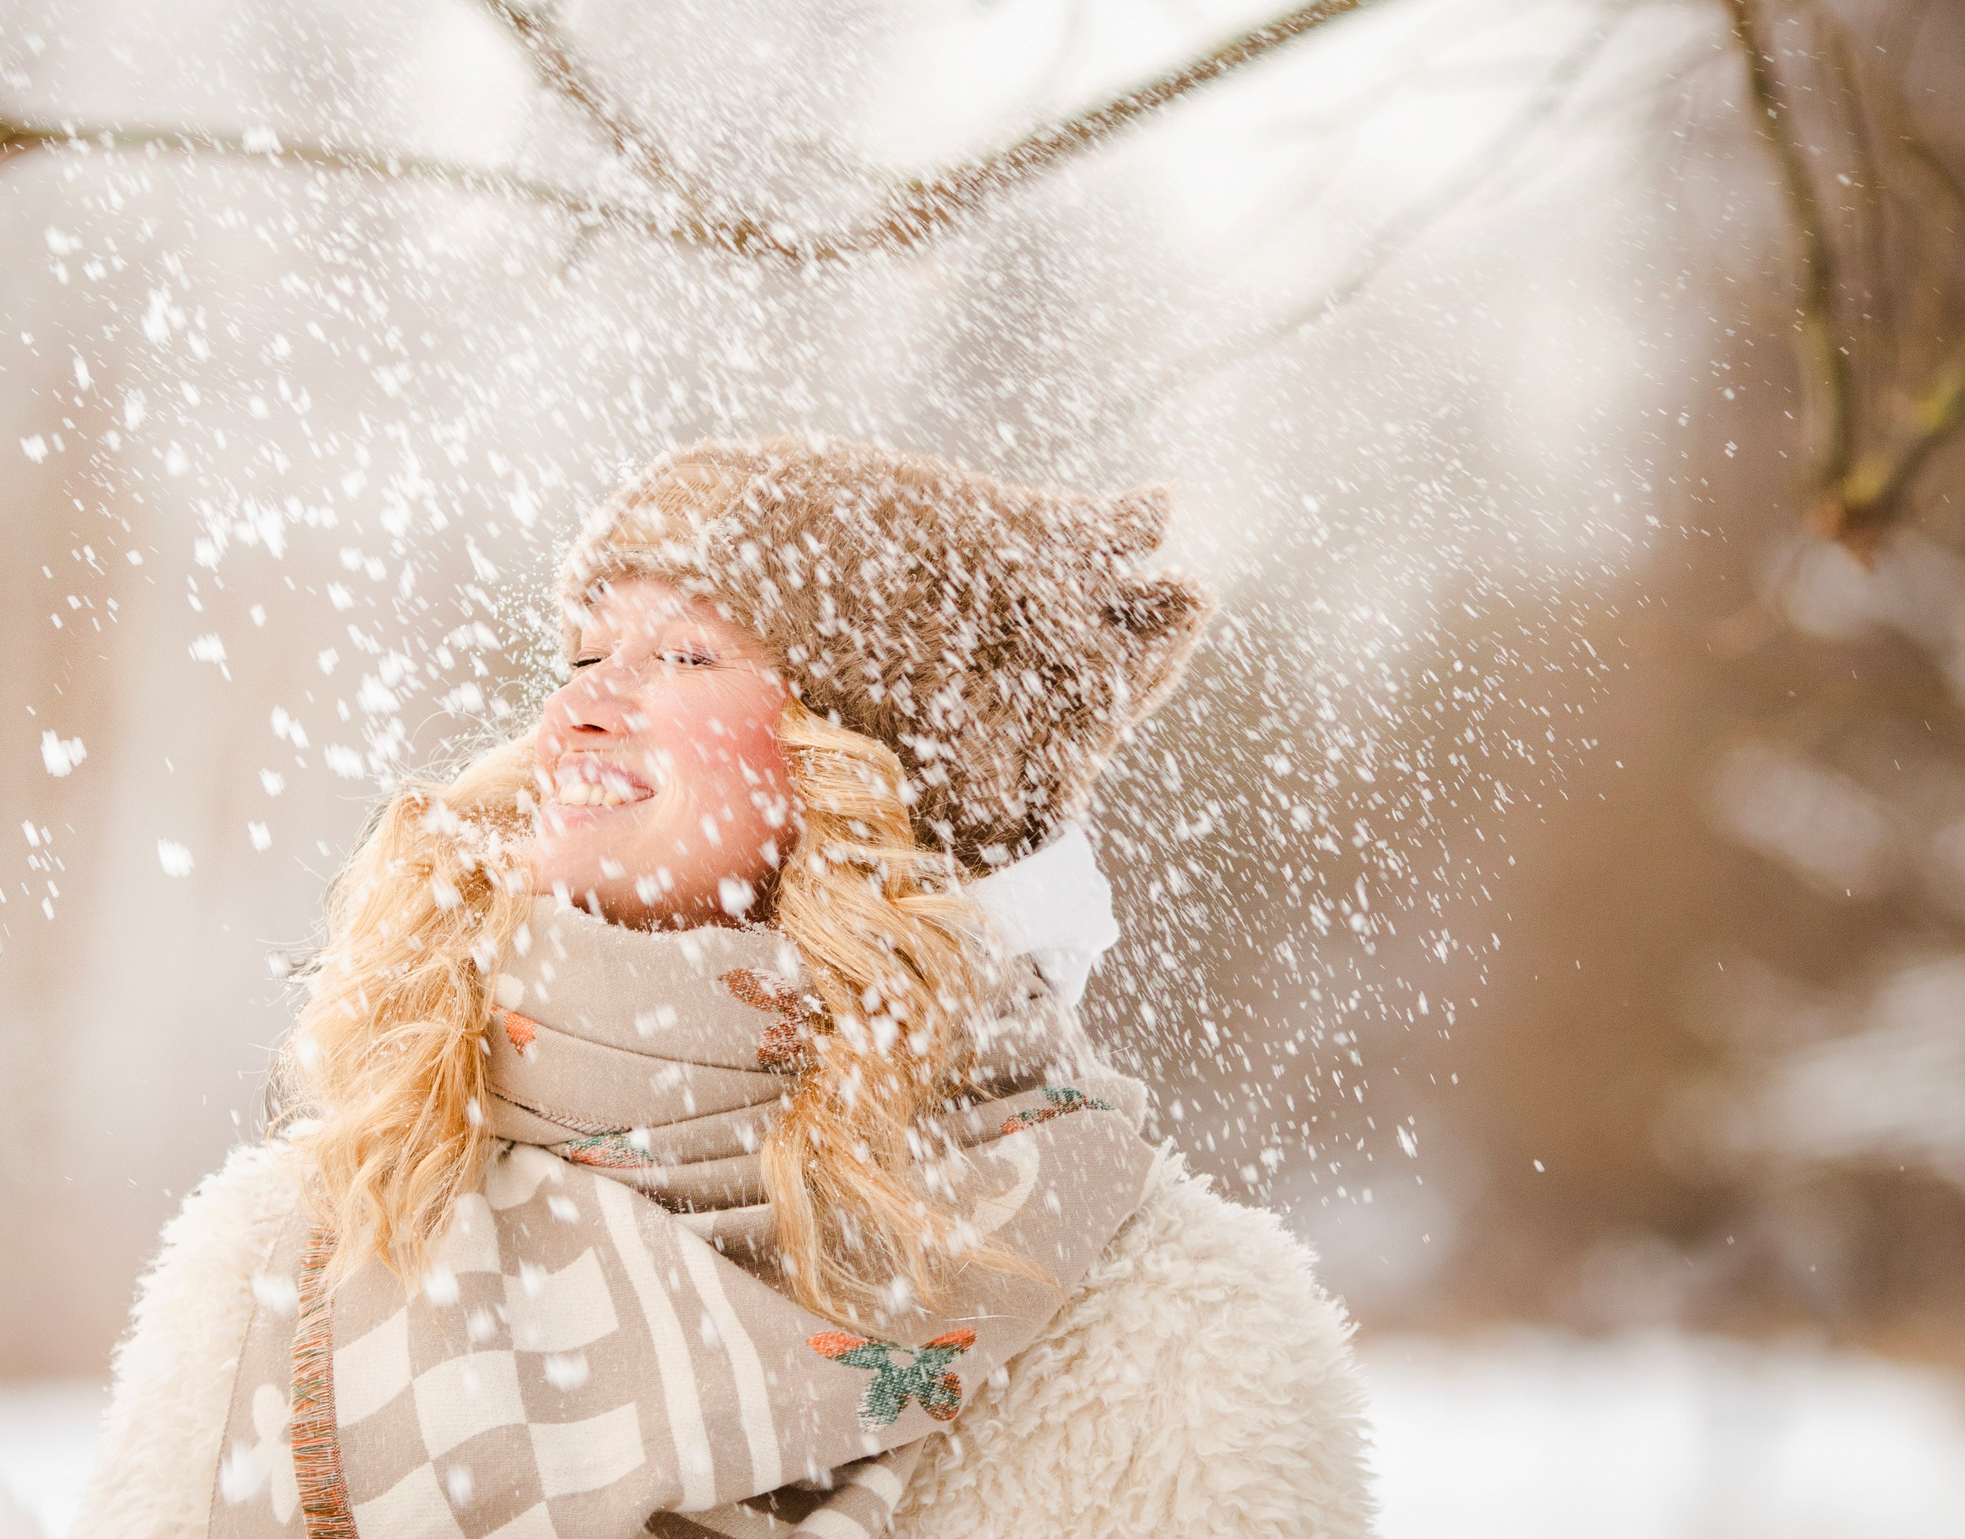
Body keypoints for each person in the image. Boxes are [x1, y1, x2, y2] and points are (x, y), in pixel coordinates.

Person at [74, 437, 1373, 1539]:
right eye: (583, 653)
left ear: (874, 757)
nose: (580, 710)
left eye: (687, 657)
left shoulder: (1177, 1335)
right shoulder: (306, 1244)